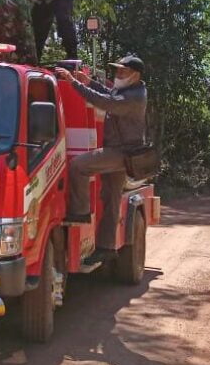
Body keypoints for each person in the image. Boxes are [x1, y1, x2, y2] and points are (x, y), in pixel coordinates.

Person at [54, 55, 147, 265]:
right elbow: (109, 94)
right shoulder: (130, 91)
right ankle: (106, 247)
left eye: (123, 71)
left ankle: (80, 212)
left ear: (135, 75)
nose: (118, 74)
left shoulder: (134, 97)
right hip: (122, 152)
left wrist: (73, 82)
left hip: (122, 153)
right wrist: (89, 82)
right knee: (112, 198)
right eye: (118, 71)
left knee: (78, 166)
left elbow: (105, 102)